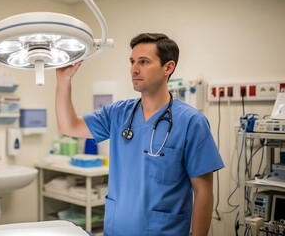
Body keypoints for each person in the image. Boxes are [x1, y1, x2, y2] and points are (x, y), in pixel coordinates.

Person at [55, 33, 225, 236]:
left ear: (168, 68)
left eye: (144, 62)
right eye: (132, 61)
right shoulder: (118, 113)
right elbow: (69, 126)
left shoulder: (191, 122)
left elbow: (203, 192)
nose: (134, 69)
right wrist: (63, 81)